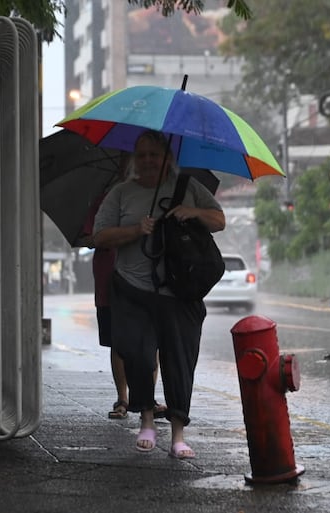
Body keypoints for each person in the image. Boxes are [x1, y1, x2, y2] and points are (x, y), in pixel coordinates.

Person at [92, 130, 225, 459]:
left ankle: (178, 433)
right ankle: (147, 419)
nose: (149, 160)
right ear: (135, 160)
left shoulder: (188, 188)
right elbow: (100, 236)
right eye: (143, 155)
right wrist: (136, 230)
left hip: (179, 293)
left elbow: (219, 220)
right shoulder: (121, 193)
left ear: (168, 158)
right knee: (136, 354)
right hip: (132, 290)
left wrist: (192, 212)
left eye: (155, 154)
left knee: (180, 361)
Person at [79, 156, 167, 421]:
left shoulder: (155, 197)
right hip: (110, 279)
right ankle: (123, 399)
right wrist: (115, 234)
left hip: (147, 278)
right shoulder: (107, 199)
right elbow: (88, 236)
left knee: (151, 341)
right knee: (119, 341)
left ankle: (148, 399)